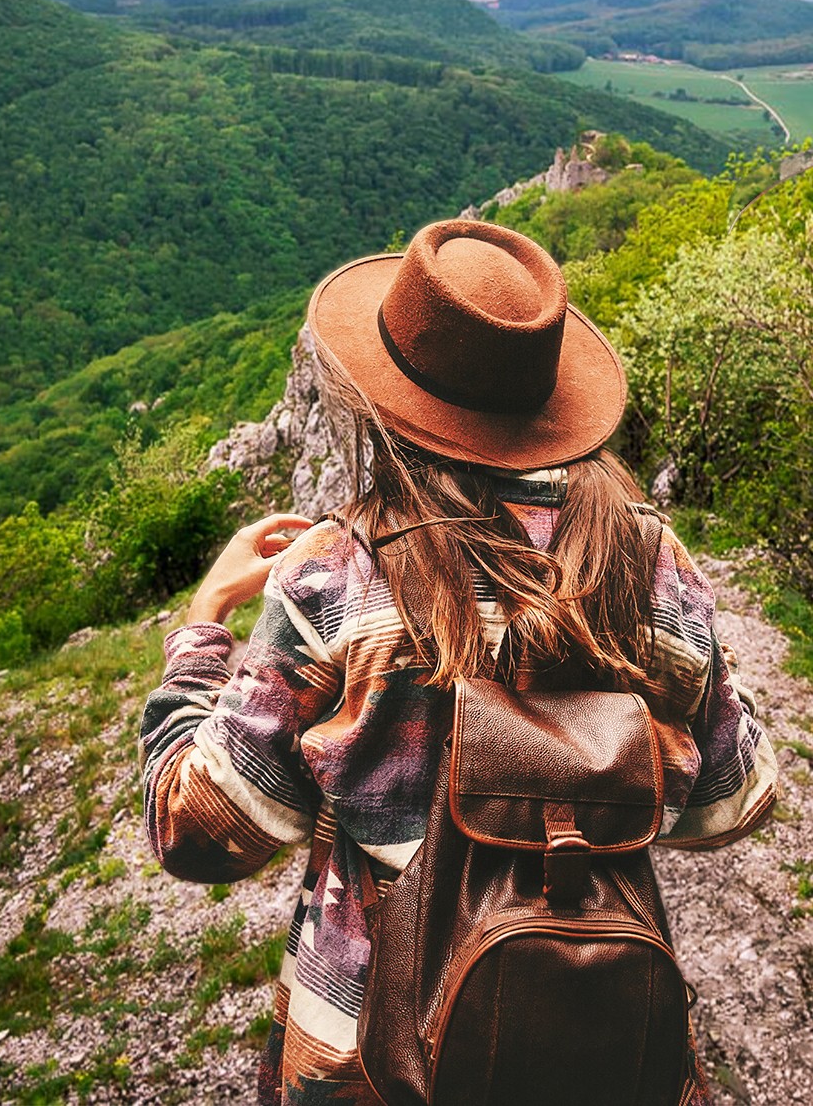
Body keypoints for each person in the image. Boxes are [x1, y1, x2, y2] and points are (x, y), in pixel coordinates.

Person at [140, 219, 777, 1105]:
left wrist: (205, 622)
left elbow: (198, 831)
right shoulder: (651, 559)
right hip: (597, 1040)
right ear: (547, 396)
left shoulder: (338, 572)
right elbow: (730, 805)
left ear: (387, 396)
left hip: (371, 1056)